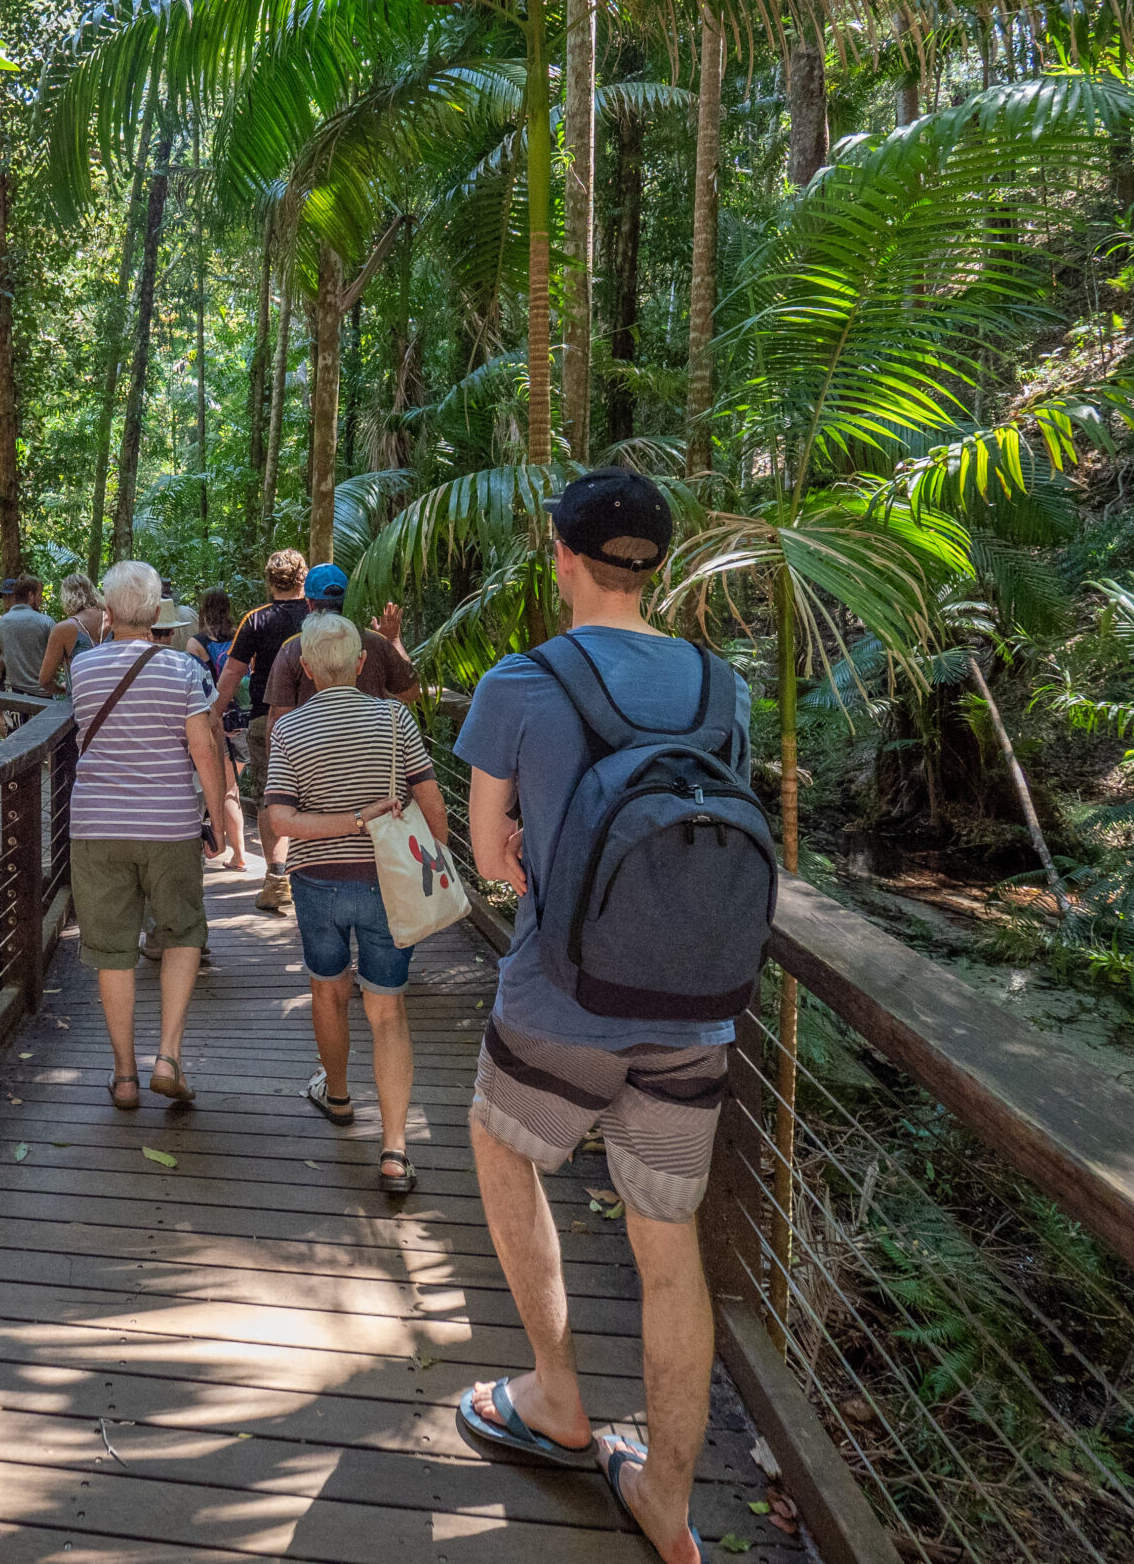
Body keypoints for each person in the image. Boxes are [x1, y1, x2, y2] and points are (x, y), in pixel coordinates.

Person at [449, 468, 741, 1564]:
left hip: (561, 997)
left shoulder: (521, 682)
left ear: (559, 555)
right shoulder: (724, 687)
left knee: (498, 1142)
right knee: (670, 1250)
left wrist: (532, 855)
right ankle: (667, 1499)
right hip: (695, 1007)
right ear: (655, 563)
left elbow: (487, 861)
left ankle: (556, 1393)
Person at [260, 611, 451, 1196]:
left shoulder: (288, 730)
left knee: (327, 989)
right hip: (388, 882)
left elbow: (279, 818)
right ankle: (394, 1150)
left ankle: (337, 1094)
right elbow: (429, 796)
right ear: (364, 663)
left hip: (318, 883)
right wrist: (437, 857)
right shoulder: (393, 716)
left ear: (308, 667)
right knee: (387, 1011)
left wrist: (342, 822)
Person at [66, 561, 236, 1111]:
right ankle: (167, 1055)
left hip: (96, 828)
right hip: (169, 825)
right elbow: (203, 750)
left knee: (112, 950)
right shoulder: (182, 672)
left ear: (109, 614)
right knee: (183, 932)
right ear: (158, 613)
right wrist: (216, 820)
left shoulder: (84, 670)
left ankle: (123, 1076)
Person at [209, 548, 310, 913]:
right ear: (305, 577)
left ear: (269, 582)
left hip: (269, 720)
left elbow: (232, 674)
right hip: (319, 719)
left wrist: (213, 715)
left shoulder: (255, 620)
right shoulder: (320, 617)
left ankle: (277, 878)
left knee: (274, 795)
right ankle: (315, 873)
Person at [263, 563, 418, 715]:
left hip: (313, 740)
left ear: (309, 604)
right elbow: (412, 693)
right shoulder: (376, 642)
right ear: (348, 600)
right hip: (371, 738)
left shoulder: (293, 649)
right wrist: (394, 639)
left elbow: (279, 715)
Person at [196, 588, 250, 872]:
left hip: (218, 724)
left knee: (227, 790)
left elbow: (198, 688)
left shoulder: (198, 644)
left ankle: (238, 853)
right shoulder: (241, 638)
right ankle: (235, 852)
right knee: (232, 789)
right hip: (243, 722)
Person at [0, 574, 55, 734]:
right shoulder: (47, 622)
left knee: (16, 741)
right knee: (42, 741)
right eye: (39, 595)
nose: (41, 599)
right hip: (43, 696)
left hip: (14, 696)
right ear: (30, 595)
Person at [37, 572, 106, 694]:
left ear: (66, 597)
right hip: (113, 702)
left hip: (79, 704)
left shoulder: (63, 629)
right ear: (93, 592)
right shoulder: (112, 621)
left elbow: (44, 680)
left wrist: (64, 690)